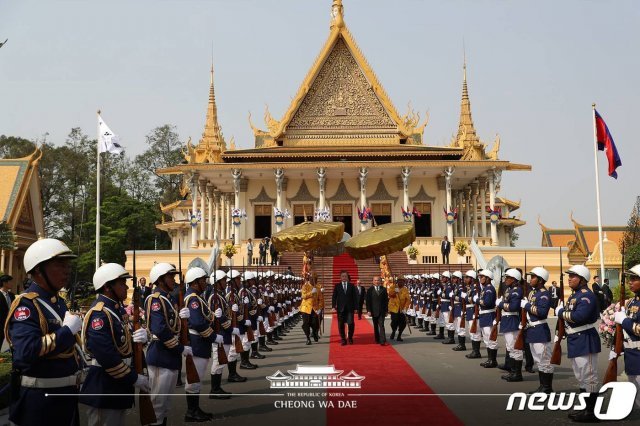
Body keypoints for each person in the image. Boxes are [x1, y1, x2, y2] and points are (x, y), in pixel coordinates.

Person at [5, 238, 81, 425]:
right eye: (59, 264)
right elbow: (26, 351)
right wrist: (66, 331)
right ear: (38, 270)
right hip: (41, 403)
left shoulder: (58, 302)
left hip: (65, 398)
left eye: (67, 265)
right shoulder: (26, 304)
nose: (67, 270)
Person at [79, 263, 150, 426]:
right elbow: (106, 355)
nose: (126, 287)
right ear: (107, 287)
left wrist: (137, 339)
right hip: (105, 386)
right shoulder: (100, 314)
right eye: (121, 283)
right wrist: (133, 378)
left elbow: (121, 342)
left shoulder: (116, 310)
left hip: (117, 384)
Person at [145, 262, 192, 425]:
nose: (174, 280)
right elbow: (159, 328)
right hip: (160, 355)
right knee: (157, 407)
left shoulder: (169, 299)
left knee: (165, 407)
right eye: (170, 276)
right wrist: (180, 348)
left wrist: (183, 317)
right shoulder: (156, 299)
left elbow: (174, 326)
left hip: (170, 356)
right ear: (160, 280)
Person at [556, 265, 601, 422]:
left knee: (589, 376)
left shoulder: (586, 296)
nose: (569, 278)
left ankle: (591, 412)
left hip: (585, 338)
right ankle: (585, 408)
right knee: (581, 376)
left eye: (573, 276)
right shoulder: (574, 296)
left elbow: (579, 316)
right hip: (575, 339)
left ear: (582, 280)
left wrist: (561, 312)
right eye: (569, 276)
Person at [183, 267, 221, 422]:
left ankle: (194, 409)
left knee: (196, 380)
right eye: (203, 280)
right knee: (194, 380)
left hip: (200, 342)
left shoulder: (197, 297)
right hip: (198, 342)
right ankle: (191, 412)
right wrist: (213, 336)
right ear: (196, 282)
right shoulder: (193, 299)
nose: (205, 283)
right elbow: (198, 322)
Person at [522, 267, 554, 394]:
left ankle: (547, 388)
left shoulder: (544, 294)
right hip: (532, 329)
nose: (531, 279)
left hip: (540, 329)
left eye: (533, 277)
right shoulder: (533, 293)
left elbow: (542, 312)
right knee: (538, 360)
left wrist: (527, 305)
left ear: (540, 280)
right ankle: (542, 386)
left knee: (545, 360)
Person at [614, 264, 640, 410]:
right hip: (631, 354)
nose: (630, 281)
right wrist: (615, 346)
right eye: (630, 278)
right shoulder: (631, 302)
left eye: (635, 278)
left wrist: (624, 320)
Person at [497, 268, 524, 382]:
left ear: (514, 279)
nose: (505, 279)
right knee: (510, 347)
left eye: (508, 278)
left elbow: (513, 307)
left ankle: (517, 374)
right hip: (507, 319)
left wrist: (501, 304)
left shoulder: (517, 290)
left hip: (512, 319)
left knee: (515, 348)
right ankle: (513, 371)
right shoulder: (509, 289)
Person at [476, 269, 498, 368]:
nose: (480, 278)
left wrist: (477, 300)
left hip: (488, 315)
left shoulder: (489, 289)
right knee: (486, 338)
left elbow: (487, 303)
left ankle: (492, 360)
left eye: (482, 277)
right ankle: (490, 359)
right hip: (484, 315)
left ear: (488, 278)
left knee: (491, 338)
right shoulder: (485, 288)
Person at [332, 270, 357, 345]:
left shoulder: (351, 286)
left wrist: (356, 308)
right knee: (341, 324)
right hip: (340, 308)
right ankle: (343, 339)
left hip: (350, 308)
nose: (344, 277)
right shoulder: (337, 286)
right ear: (340, 277)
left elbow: (355, 297)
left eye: (345, 276)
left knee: (351, 323)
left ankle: (350, 338)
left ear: (347, 277)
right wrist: (333, 306)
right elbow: (334, 297)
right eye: (342, 276)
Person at [366, 276, 388, 346]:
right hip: (373, 311)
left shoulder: (384, 289)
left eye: (378, 280)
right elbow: (368, 301)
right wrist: (368, 310)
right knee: (375, 326)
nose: (377, 282)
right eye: (375, 280)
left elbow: (386, 301)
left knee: (381, 325)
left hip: (382, 311)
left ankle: (383, 340)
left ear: (380, 281)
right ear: (373, 281)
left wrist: (386, 311)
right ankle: (377, 338)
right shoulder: (370, 290)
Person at [389, 277, 410, 341]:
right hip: (394, 308)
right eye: (399, 281)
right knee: (394, 322)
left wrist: (405, 308)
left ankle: (399, 335)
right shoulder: (393, 287)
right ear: (397, 282)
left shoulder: (405, 289)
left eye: (402, 281)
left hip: (402, 309)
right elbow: (390, 294)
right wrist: (395, 291)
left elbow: (408, 300)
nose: (401, 282)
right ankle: (393, 331)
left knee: (403, 323)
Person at [0, 271, 15, 349]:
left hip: (11, 324)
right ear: (4, 283)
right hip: (1, 324)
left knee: (13, 344)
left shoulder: (12, 295)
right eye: (10, 282)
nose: (12, 284)